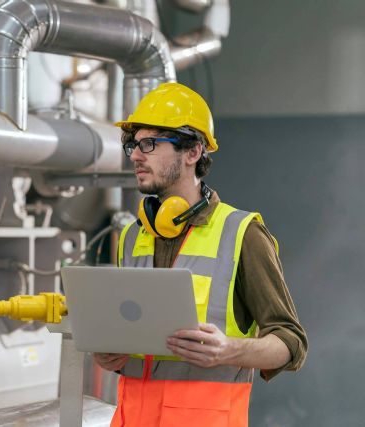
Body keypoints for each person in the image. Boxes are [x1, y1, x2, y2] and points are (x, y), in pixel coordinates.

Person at [94, 82, 307, 427]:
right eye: (133, 144)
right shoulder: (133, 236)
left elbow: (291, 343)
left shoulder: (242, 234)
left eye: (149, 144)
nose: (134, 155)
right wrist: (111, 356)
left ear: (192, 152)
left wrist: (228, 350)